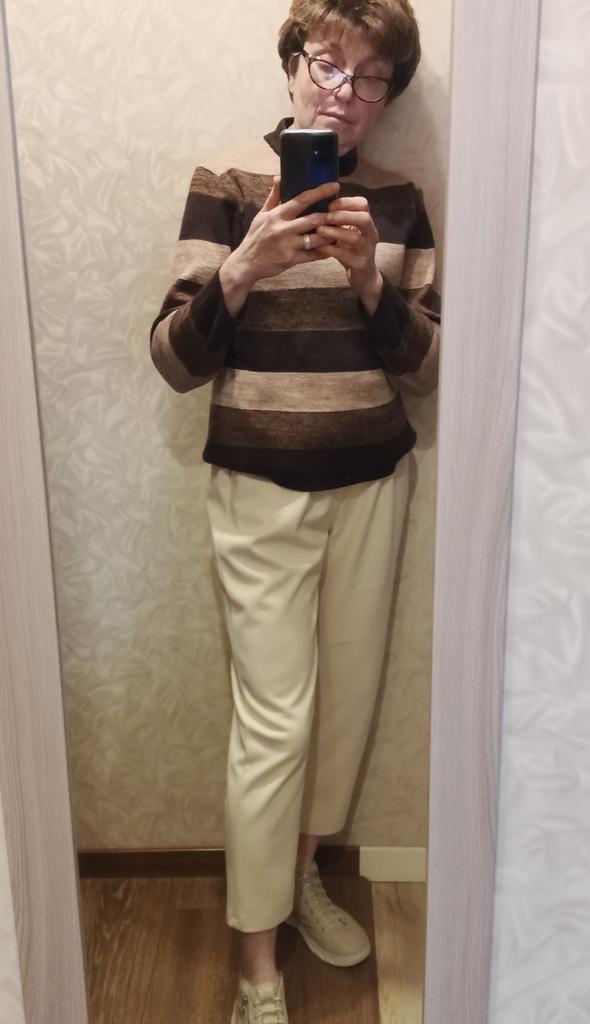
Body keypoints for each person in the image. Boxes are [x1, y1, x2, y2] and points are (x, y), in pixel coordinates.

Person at [149, 1, 440, 1020]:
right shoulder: (229, 186)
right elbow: (173, 359)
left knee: (345, 710)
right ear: (291, 65)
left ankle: (302, 872)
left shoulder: (398, 203)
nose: (345, 94)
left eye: (371, 79)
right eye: (328, 65)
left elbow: (427, 368)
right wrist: (243, 266)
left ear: (387, 98)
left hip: (372, 484)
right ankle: (256, 969)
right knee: (274, 725)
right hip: (259, 490)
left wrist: (368, 281)